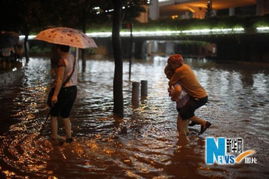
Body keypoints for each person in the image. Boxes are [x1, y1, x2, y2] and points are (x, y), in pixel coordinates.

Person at [167, 54, 211, 135]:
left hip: (198, 97)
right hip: (201, 95)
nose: (171, 66)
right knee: (185, 112)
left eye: (171, 65)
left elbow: (172, 82)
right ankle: (190, 128)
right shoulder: (186, 66)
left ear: (175, 64)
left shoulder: (179, 70)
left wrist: (171, 90)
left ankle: (204, 123)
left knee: (183, 114)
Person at [48, 44, 77, 143]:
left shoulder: (61, 61)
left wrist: (55, 95)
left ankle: (54, 136)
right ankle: (69, 137)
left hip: (64, 90)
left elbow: (60, 79)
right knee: (65, 115)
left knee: (54, 114)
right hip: (73, 89)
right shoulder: (73, 57)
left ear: (59, 49)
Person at [164, 65, 190, 136]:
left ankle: (182, 143)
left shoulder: (177, 82)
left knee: (180, 127)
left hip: (184, 107)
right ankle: (187, 142)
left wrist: (173, 96)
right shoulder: (182, 81)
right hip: (186, 107)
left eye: (167, 75)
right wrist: (172, 91)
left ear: (172, 74)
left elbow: (180, 93)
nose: (166, 77)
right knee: (185, 127)